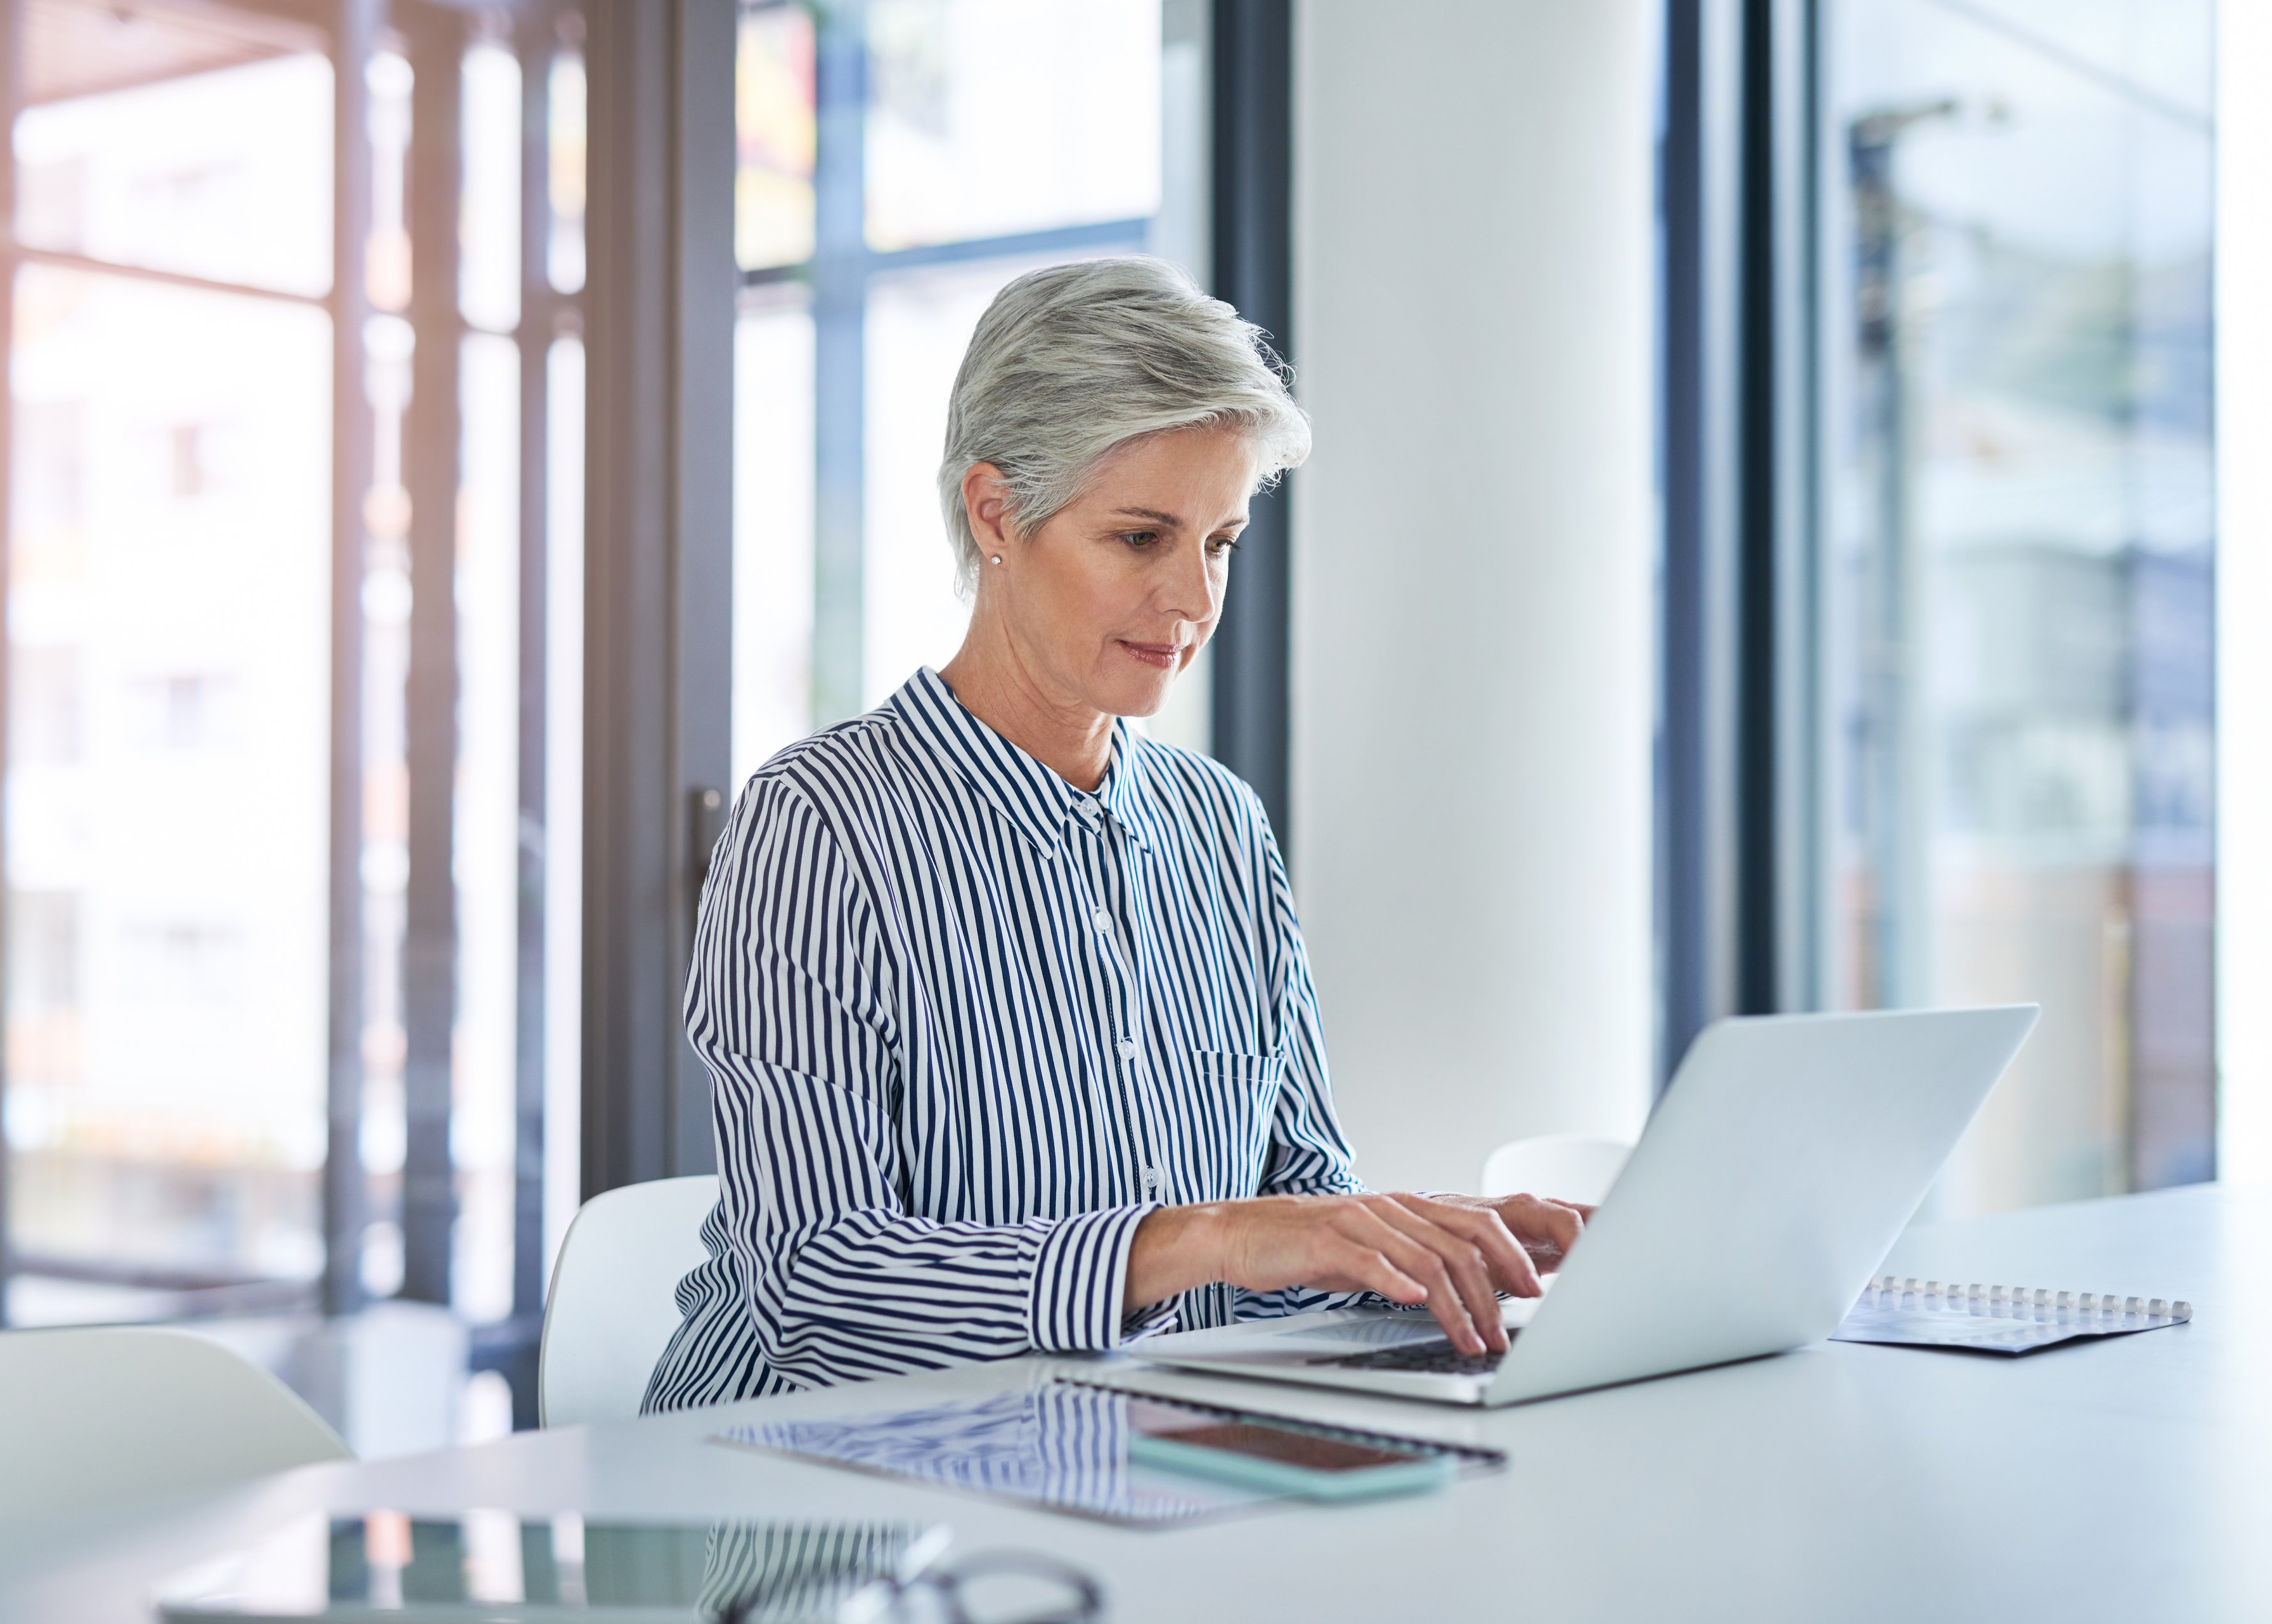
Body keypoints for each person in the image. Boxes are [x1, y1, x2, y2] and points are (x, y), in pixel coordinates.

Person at [643, 257, 1587, 1412]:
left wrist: (1415, 1252)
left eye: (1221, 541)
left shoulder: (1220, 828)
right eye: (1141, 538)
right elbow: (819, 1290)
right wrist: (1202, 1241)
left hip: (1136, 1456)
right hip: (824, 1501)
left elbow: (1290, 1210)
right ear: (996, 513)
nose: (1193, 599)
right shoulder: (821, 827)